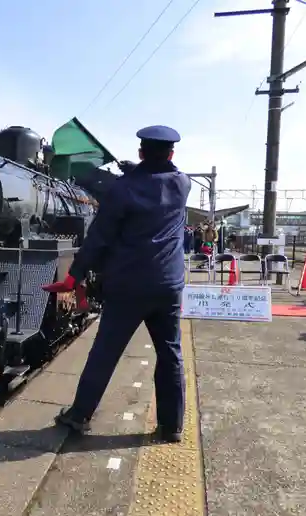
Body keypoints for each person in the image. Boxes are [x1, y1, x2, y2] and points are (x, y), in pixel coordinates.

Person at [41, 125, 191, 443]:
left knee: (105, 353)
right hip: (168, 287)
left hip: (128, 287)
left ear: (140, 152)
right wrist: (141, 169)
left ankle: (79, 415)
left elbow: (98, 239)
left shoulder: (123, 190)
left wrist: (73, 277)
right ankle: (173, 425)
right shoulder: (182, 184)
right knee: (171, 354)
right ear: (171, 153)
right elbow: (164, 176)